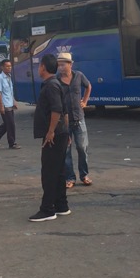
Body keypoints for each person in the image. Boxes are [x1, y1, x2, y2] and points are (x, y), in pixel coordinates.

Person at [29, 54, 70, 222]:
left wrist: (51, 132)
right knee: (59, 171)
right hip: (60, 133)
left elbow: (57, 110)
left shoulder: (51, 86)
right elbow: (65, 111)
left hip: (54, 135)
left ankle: (47, 209)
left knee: (49, 172)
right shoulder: (57, 84)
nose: (38, 68)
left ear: (43, 67)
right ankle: (61, 205)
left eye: (39, 66)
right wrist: (66, 132)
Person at [57, 53, 93, 188]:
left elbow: (88, 86)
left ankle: (84, 175)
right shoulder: (57, 80)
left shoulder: (79, 76)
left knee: (82, 147)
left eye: (63, 64)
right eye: (59, 64)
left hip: (79, 119)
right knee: (66, 151)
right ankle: (70, 178)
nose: (60, 67)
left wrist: (84, 101)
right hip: (64, 121)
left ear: (70, 65)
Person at [0, 59, 21, 149]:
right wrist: (1, 106)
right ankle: (12, 143)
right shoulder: (0, 78)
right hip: (5, 105)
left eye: (10, 66)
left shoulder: (9, 76)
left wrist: (14, 101)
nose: (9, 68)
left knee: (7, 123)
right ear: (2, 67)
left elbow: (10, 91)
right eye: (7, 66)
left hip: (10, 103)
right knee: (11, 124)